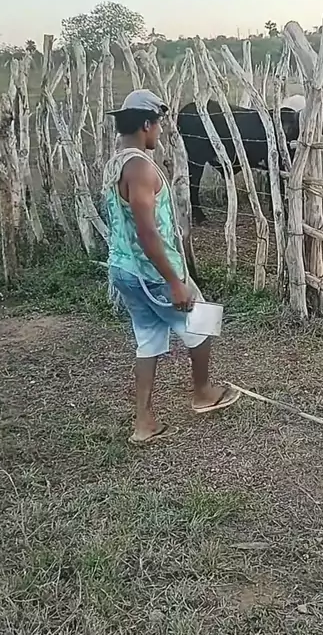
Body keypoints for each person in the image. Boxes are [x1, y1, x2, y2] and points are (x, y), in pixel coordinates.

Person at [102, 89, 240, 445]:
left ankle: (144, 422)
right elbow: (147, 232)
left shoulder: (115, 164)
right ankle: (203, 393)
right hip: (152, 271)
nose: (161, 131)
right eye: (159, 124)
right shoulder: (140, 168)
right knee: (203, 321)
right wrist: (174, 281)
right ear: (146, 124)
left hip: (124, 269)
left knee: (148, 339)